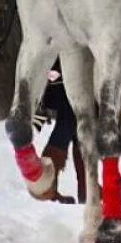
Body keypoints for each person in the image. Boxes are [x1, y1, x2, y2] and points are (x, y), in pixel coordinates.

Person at [37, 60, 86, 204]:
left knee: (80, 119)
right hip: (59, 66)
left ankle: (86, 187)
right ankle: (46, 186)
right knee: (69, 119)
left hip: (73, 67)